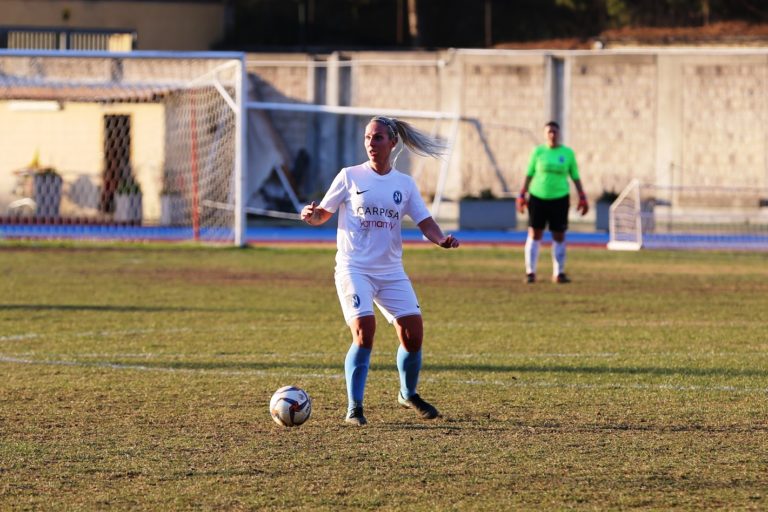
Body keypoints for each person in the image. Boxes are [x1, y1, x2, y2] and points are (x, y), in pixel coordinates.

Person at [301, 116, 460, 427]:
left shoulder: (404, 184)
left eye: (378, 138)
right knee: (364, 332)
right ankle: (354, 408)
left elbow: (424, 221)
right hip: (354, 267)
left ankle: (407, 394)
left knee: (413, 336)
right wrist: (310, 214)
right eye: (367, 138)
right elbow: (323, 214)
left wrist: (440, 238)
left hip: (390, 270)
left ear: (393, 143)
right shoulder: (349, 176)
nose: (371, 144)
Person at [516, 121, 588, 284]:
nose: (552, 135)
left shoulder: (567, 153)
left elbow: (575, 176)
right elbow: (529, 174)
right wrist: (522, 194)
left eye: (555, 132)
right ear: (545, 134)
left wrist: (582, 196)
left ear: (559, 133)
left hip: (560, 198)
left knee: (559, 235)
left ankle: (559, 273)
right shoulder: (538, 152)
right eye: (549, 132)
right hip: (538, 197)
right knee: (535, 233)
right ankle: (530, 272)